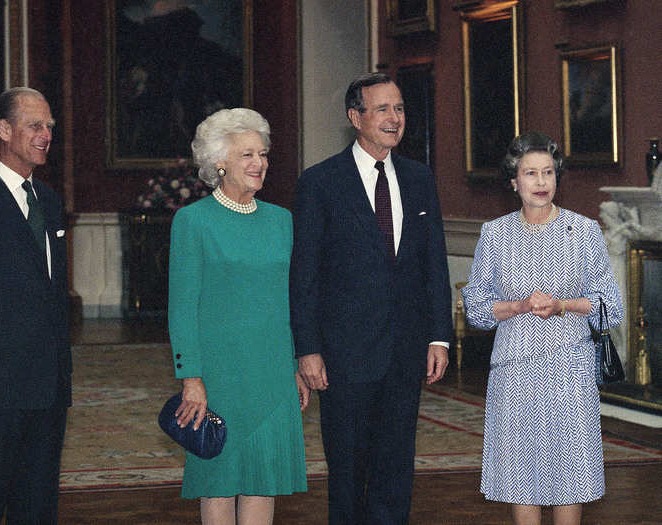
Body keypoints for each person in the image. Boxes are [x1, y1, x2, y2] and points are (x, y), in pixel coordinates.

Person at [290, 72, 453, 524]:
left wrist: (439, 335)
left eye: (399, 108)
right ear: (355, 117)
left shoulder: (420, 179)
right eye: (382, 109)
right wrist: (307, 349)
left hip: (405, 351)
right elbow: (304, 275)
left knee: (396, 467)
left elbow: (433, 264)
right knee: (348, 469)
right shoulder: (320, 182)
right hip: (343, 355)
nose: (394, 118)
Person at [461, 132, 623, 525]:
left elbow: (610, 306)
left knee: (570, 475)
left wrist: (562, 305)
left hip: (570, 370)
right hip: (515, 371)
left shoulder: (583, 231)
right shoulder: (495, 234)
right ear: (514, 181)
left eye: (548, 172)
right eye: (530, 173)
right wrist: (519, 306)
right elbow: (476, 308)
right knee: (521, 475)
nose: (541, 182)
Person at [168, 108, 309, 525]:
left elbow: (290, 301)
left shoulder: (281, 220)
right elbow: (182, 307)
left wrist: (296, 365)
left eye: (263, 154)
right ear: (219, 162)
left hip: (272, 373)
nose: (259, 163)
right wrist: (190, 379)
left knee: (263, 479)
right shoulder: (192, 221)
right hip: (218, 378)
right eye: (247, 154)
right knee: (218, 478)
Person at [0, 87, 71, 524]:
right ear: (4, 130)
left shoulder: (48, 200)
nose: (45, 135)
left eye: (49, 127)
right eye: (34, 126)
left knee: (38, 506)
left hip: (47, 386)